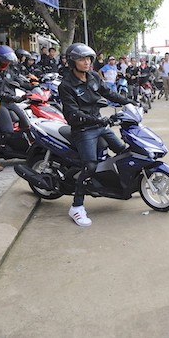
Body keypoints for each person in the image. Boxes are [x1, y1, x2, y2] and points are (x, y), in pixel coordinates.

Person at [59, 43, 134, 226]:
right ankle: (77, 207)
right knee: (90, 166)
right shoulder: (66, 85)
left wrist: (129, 102)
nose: (87, 63)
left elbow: (108, 92)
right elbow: (73, 113)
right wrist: (97, 121)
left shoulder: (93, 76)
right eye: (82, 59)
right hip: (83, 129)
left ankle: (122, 185)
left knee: (123, 150)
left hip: (99, 124)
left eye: (89, 59)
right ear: (72, 62)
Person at [0, 45, 30, 172]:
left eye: (9, 60)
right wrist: (13, 98)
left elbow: (17, 80)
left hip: (9, 101)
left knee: (26, 124)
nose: (7, 63)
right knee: (8, 131)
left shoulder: (7, 68)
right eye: (5, 60)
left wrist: (33, 87)